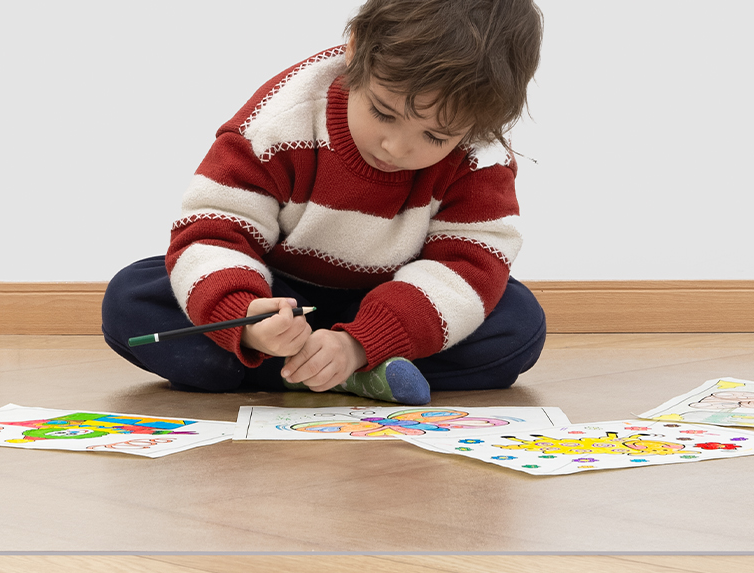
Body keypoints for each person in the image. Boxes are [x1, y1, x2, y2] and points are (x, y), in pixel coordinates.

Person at [103, 0, 546, 405]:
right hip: (281, 298)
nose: (394, 146)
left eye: (434, 136)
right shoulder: (279, 122)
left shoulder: (479, 158)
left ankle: (333, 366)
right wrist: (248, 317)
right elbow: (216, 227)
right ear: (355, 52)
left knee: (518, 325)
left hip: (396, 302)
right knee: (132, 299)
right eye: (383, 112)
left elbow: (467, 263)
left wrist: (360, 341)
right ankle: (329, 370)